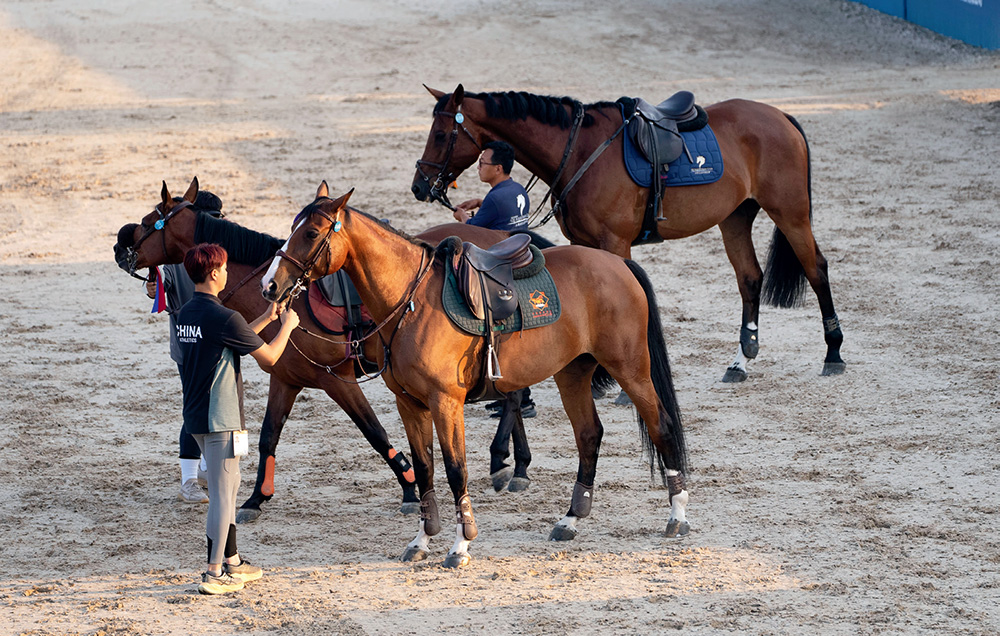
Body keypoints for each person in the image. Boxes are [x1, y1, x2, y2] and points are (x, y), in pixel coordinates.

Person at [176, 243, 299, 595]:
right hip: (222, 418)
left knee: (227, 488)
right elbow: (270, 358)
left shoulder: (187, 313)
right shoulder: (224, 317)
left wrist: (268, 318)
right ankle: (214, 572)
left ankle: (232, 560)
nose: (228, 273)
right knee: (222, 497)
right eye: (226, 268)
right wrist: (288, 326)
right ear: (214, 273)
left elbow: (229, 338)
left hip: (196, 417)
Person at [144, 192, 224, 504]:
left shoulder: (222, 248)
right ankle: (189, 480)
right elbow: (160, 289)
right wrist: (153, 288)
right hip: (190, 345)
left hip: (219, 344)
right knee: (196, 408)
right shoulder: (175, 255)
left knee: (217, 406)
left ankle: (203, 468)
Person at [453, 140, 536, 418]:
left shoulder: (496, 199)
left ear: (498, 168)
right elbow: (503, 211)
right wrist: (481, 202)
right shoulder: (517, 189)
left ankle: (520, 399)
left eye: (482, 163)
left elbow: (472, 231)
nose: (478, 167)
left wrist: (461, 217)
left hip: (497, 266)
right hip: (517, 255)